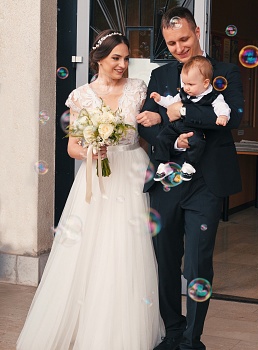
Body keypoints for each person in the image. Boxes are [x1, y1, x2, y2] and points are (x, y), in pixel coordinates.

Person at [17, 30, 164, 349]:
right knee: (90, 248)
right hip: (96, 178)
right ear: (99, 59)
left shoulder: (138, 88)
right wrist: (92, 149)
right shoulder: (83, 95)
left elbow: (148, 130)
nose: (123, 65)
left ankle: (124, 331)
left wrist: (155, 120)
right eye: (116, 58)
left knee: (127, 248)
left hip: (131, 170)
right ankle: (85, 325)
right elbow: (72, 147)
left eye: (126, 58)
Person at [136, 7, 244, 350]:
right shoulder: (161, 75)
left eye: (184, 38)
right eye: (171, 42)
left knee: (198, 262)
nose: (179, 47)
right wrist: (170, 139)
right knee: (165, 259)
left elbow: (233, 118)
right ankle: (172, 331)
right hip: (167, 181)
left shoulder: (226, 72)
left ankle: (191, 340)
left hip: (206, 183)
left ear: (197, 31)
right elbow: (146, 123)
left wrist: (181, 112)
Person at [150, 55, 230, 182]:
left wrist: (223, 116)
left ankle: (189, 165)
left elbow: (222, 106)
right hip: (176, 126)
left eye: (191, 84)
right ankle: (164, 164)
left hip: (194, 129)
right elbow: (171, 102)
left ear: (205, 83)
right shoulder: (184, 93)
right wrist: (160, 99)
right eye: (185, 83)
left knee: (197, 143)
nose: (186, 88)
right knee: (162, 137)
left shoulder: (213, 96)